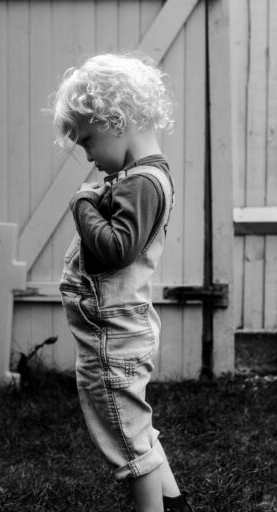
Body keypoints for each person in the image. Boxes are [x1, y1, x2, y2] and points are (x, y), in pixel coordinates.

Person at [50, 53, 193, 512]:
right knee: (136, 427)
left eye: (88, 140)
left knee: (129, 442)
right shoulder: (143, 177)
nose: (89, 154)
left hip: (113, 334)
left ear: (115, 120)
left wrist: (82, 206)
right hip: (116, 328)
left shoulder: (140, 184)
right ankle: (173, 504)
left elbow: (115, 248)